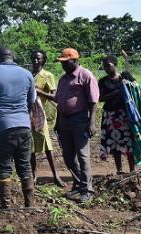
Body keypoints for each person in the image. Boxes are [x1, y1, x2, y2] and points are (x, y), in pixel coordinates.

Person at [0, 47, 36, 208]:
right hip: (23, 126)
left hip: (2, 127)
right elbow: (31, 102)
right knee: (24, 165)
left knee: (4, 167)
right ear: (13, 57)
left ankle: (6, 205)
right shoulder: (27, 74)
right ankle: (30, 204)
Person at [55, 48, 99, 203]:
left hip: (80, 120)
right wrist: (57, 122)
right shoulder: (63, 79)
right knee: (68, 156)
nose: (63, 66)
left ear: (74, 60)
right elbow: (59, 101)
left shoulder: (85, 75)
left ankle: (88, 190)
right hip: (64, 120)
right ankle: (79, 185)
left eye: (66, 63)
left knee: (83, 155)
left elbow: (93, 101)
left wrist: (92, 123)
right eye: (62, 63)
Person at [30, 50, 65, 187]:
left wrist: (39, 92)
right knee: (31, 146)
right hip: (27, 113)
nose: (35, 60)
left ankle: (56, 175)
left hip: (39, 112)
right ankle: (33, 176)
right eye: (33, 58)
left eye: (38, 58)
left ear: (43, 60)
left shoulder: (47, 76)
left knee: (47, 145)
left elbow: (54, 97)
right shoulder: (28, 75)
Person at [98, 55, 135, 174]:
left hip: (125, 115)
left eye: (108, 66)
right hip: (111, 115)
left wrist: (127, 84)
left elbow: (136, 88)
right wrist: (118, 91)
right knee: (115, 143)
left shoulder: (125, 76)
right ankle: (119, 170)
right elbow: (101, 98)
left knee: (128, 142)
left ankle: (132, 170)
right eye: (104, 67)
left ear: (115, 64)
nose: (106, 68)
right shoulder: (103, 81)